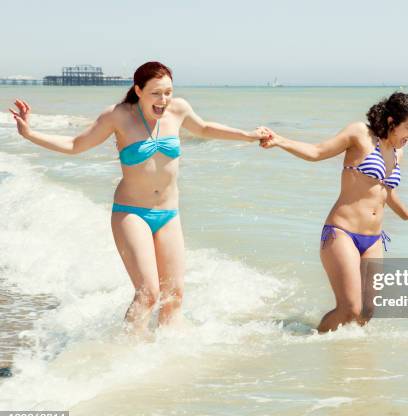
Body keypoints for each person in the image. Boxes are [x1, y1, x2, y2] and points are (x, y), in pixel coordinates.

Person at [9, 61, 269, 334]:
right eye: (156, 93)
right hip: (131, 212)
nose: (164, 100)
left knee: (175, 296)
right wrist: (29, 134)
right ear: (139, 90)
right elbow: (76, 145)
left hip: (169, 215)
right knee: (148, 293)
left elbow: (204, 129)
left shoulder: (178, 109)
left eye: (168, 92)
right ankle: (124, 355)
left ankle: (163, 360)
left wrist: (248, 136)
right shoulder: (118, 116)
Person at [260, 92, 408, 332]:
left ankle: (348, 362)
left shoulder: (398, 153)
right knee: (349, 308)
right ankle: (311, 344)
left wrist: (406, 214)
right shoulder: (360, 134)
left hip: (373, 239)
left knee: (367, 311)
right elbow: (317, 152)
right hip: (342, 233)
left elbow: (385, 191)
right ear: (392, 122)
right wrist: (279, 141)